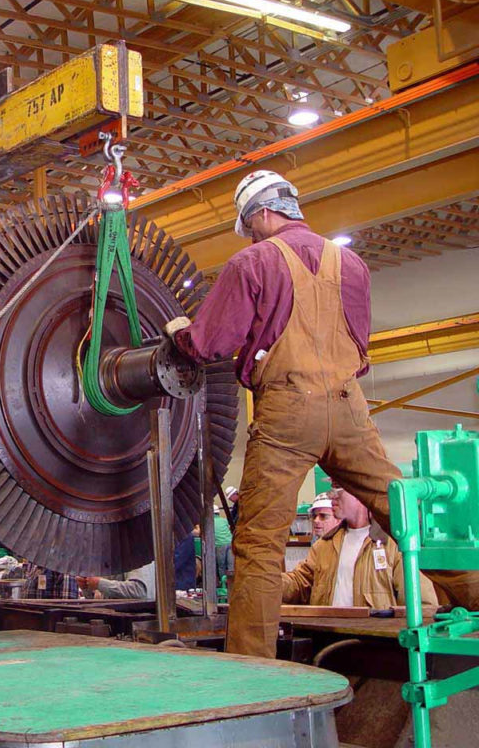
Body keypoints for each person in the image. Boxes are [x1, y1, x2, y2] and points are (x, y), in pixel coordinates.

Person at [163, 169, 478, 657]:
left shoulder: (253, 263)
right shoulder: (351, 263)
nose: (249, 235)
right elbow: (362, 348)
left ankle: (253, 668)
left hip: (288, 410)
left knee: (260, 542)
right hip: (351, 406)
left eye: (249, 225)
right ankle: (475, 598)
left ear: (263, 214)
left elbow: (209, 345)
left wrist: (181, 332)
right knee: (404, 512)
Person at [283, 487, 437, 609]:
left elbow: (421, 605)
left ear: (359, 492)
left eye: (338, 488)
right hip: (329, 642)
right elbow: (299, 583)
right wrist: (268, 581)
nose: (331, 495)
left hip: (372, 643)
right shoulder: (324, 546)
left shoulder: (394, 546)